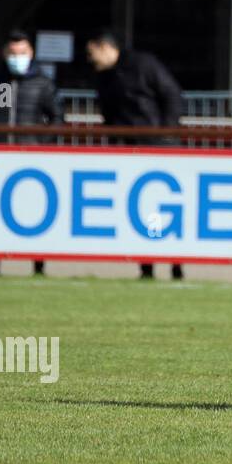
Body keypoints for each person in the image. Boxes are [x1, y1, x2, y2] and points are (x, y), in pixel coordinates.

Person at [85, 30, 184, 281]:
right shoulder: (103, 77)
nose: (90, 59)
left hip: (157, 148)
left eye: (92, 53)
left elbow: (171, 94)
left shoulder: (143, 64)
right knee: (142, 209)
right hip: (127, 153)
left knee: (167, 208)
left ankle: (177, 264)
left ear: (105, 47)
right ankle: (146, 264)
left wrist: (166, 134)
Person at [0, 29, 58, 277]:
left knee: (36, 210)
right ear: (4, 53)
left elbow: (56, 118)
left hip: (33, 157)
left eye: (21, 52)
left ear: (30, 52)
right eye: (12, 53)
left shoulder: (42, 83)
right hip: (0, 155)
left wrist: (40, 143)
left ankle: (38, 263)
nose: (17, 57)